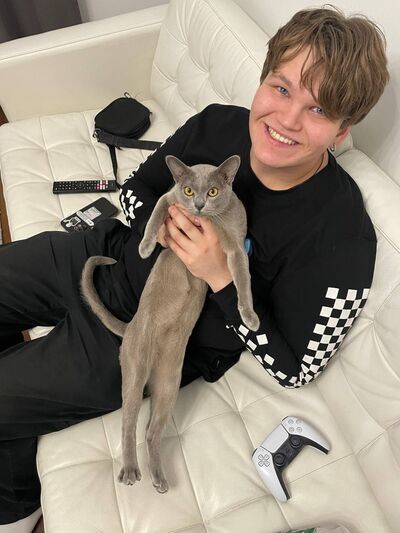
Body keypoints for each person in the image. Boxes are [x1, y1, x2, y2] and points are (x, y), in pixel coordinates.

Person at [0, 6, 389, 532]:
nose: (287, 120)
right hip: (103, 255)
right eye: (281, 88)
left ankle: (15, 504)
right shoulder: (217, 124)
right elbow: (135, 191)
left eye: (318, 109)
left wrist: (221, 278)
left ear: (342, 130)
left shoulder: (342, 235)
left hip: (148, 338)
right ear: (262, 82)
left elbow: (295, 369)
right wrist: (160, 227)